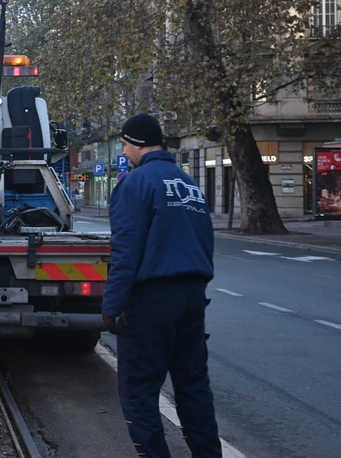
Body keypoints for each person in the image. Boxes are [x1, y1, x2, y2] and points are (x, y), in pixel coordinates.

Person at [103, 114, 222, 458]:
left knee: (139, 389)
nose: (124, 152)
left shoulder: (135, 184)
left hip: (151, 300)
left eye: (125, 145)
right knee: (193, 386)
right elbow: (204, 241)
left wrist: (111, 307)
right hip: (192, 298)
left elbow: (126, 252)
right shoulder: (188, 184)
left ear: (137, 143)